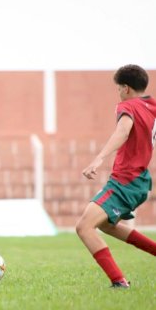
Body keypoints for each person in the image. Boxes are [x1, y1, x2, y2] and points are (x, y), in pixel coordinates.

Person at [76, 64, 156, 288]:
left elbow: (123, 130)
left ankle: (118, 281)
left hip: (125, 181)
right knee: (106, 225)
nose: (118, 93)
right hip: (140, 181)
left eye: (119, 88)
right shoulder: (152, 106)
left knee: (83, 227)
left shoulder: (127, 105)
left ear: (126, 88)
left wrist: (98, 159)